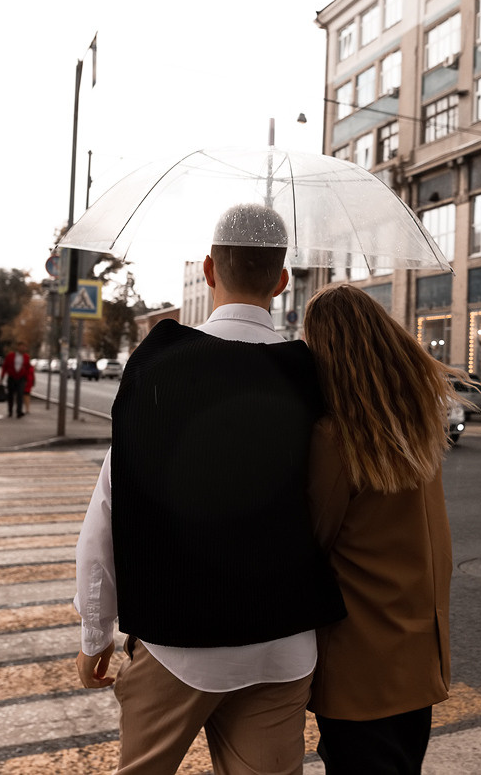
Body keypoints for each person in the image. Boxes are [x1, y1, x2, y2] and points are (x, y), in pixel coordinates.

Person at [74, 203, 344, 775]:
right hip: (283, 643)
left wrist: (95, 632)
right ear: (282, 280)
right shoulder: (311, 375)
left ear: (208, 270)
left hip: (177, 639)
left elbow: (109, 510)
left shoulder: (157, 368)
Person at [301, 283, 469, 775]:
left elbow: (313, 540)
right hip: (419, 649)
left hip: (362, 660)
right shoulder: (416, 421)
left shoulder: (335, 437)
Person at [0, 341, 31, 419]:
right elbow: (5, 366)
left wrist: (26, 378)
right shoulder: (11, 356)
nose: (23, 348)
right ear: (18, 347)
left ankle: (19, 411)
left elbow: (28, 368)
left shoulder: (26, 357)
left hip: (21, 378)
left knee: (20, 395)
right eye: (21, 346)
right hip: (11, 377)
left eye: (24, 347)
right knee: (10, 395)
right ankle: (10, 411)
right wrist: (2, 377)